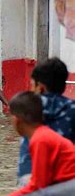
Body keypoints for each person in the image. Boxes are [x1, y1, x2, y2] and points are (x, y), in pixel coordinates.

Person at [17, 58, 75, 186]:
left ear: (40, 87)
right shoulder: (72, 108)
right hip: (66, 184)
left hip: (31, 182)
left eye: (32, 86)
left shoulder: (28, 108)